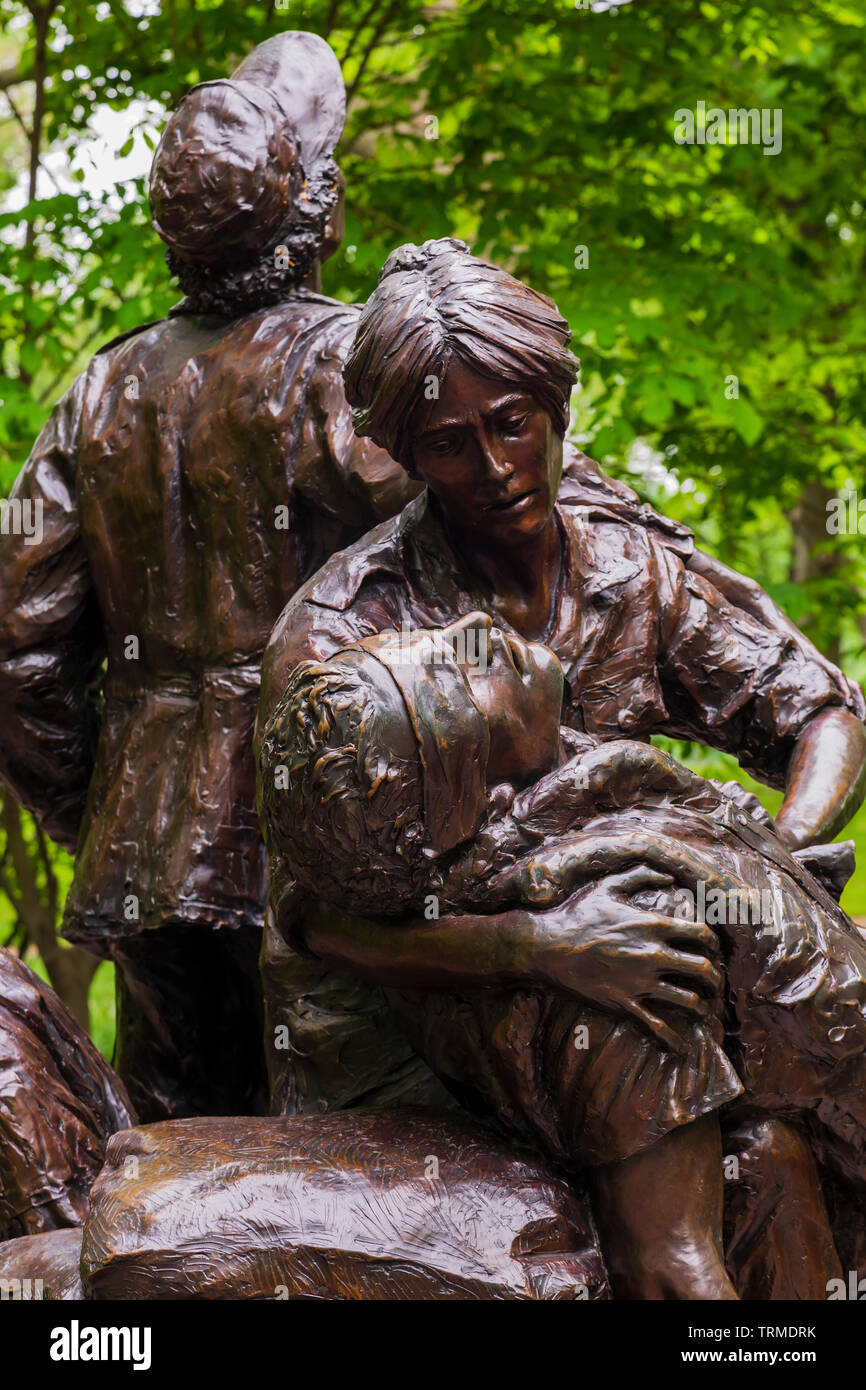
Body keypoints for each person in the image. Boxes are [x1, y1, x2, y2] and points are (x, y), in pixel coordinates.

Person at [0, 33, 423, 1122]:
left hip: (145, 857)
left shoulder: (100, 391)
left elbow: (19, 642)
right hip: (318, 848)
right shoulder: (341, 369)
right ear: (319, 216)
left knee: (170, 1171)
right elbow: (484, 568)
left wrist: (98, 803)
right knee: (341, 1186)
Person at [259, 617, 866, 1297]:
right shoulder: (625, 938)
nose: (475, 628)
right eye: (456, 673)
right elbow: (667, 1268)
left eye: (441, 634)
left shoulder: (565, 795)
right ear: (490, 800)